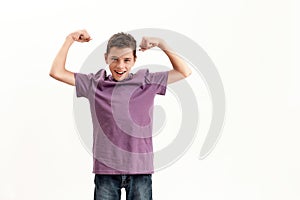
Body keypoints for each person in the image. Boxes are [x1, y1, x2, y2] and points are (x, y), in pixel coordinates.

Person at [49, 29, 192, 200]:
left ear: (134, 60)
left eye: (126, 60)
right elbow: (56, 72)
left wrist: (161, 43)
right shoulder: (94, 83)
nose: (120, 65)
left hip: (140, 170)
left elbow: (184, 71)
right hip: (106, 171)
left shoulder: (147, 81)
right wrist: (69, 39)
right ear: (106, 58)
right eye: (114, 59)